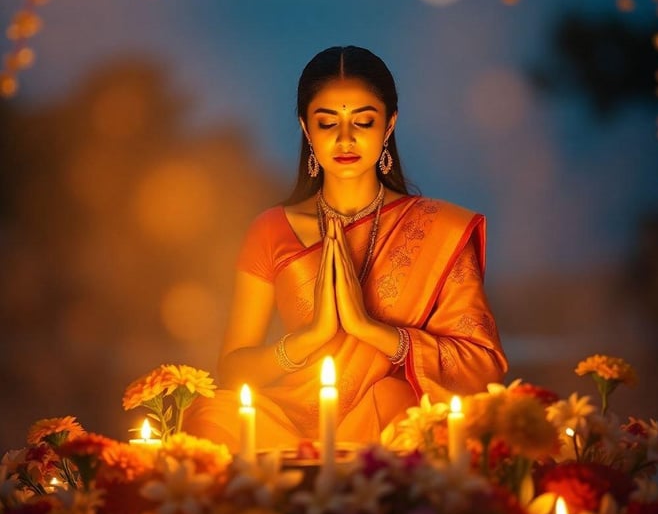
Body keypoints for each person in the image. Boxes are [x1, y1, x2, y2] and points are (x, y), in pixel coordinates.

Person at [184, 45, 508, 450]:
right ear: (306, 128)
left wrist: (368, 328)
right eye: (327, 124)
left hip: (385, 422)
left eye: (363, 122)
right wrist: (311, 337)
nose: (345, 139)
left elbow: (479, 365)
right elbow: (233, 373)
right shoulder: (272, 229)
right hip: (287, 422)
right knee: (212, 415)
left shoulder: (439, 229)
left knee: (401, 405)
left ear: (389, 125)